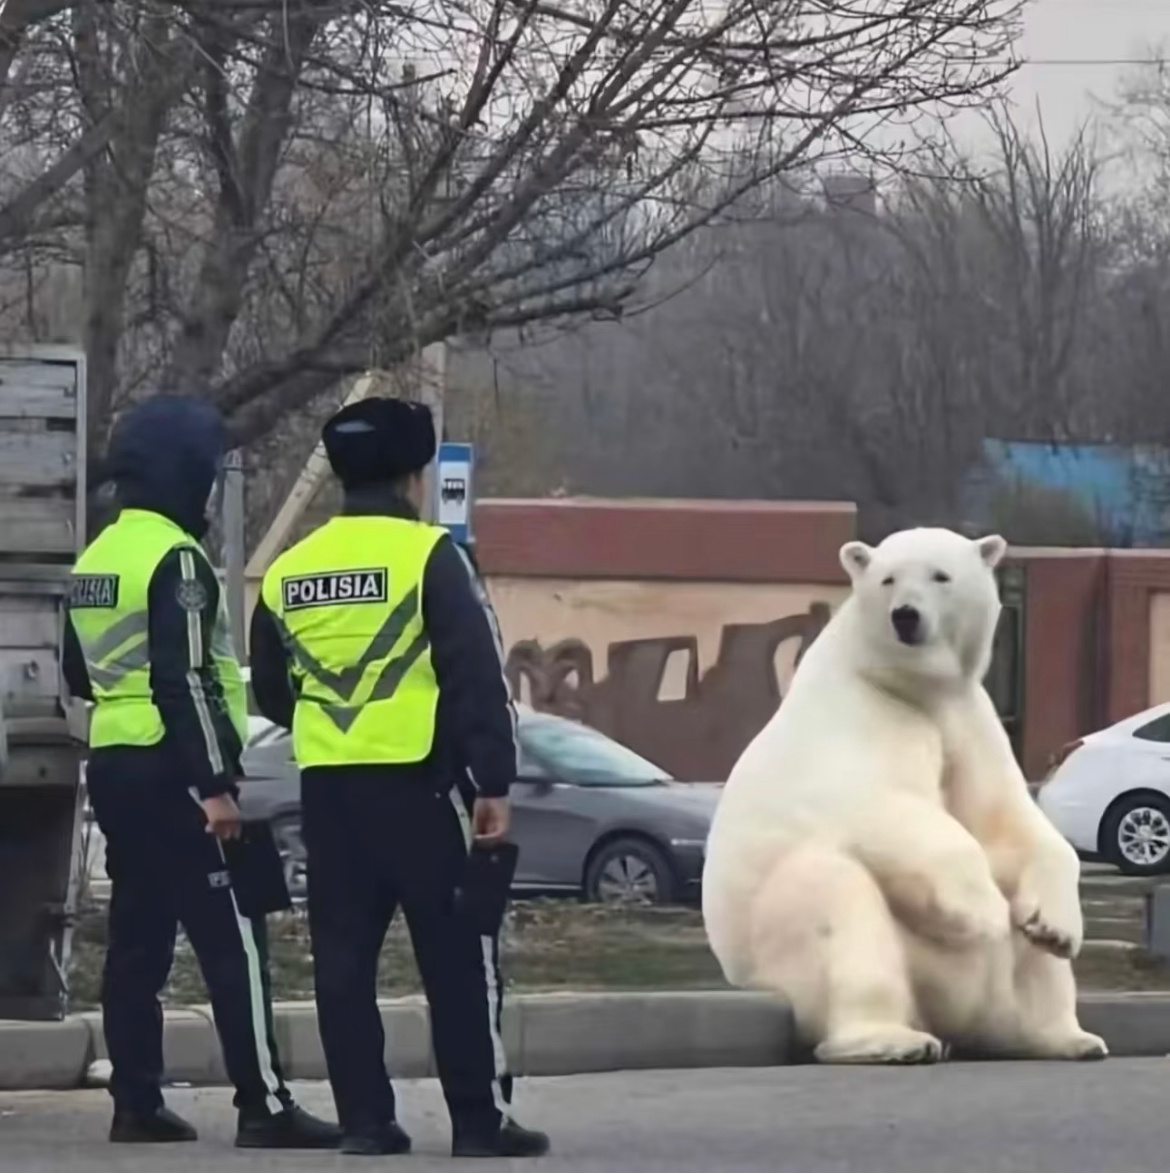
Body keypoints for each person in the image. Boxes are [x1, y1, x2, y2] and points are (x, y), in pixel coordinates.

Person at [249, 397, 549, 1159]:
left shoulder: (289, 570)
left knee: (342, 962)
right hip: (423, 786)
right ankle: (478, 1123)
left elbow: (273, 693)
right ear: (416, 480)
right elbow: (477, 672)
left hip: (329, 794)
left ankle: (365, 1123)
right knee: (457, 958)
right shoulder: (431, 558)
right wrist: (492, 782)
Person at [63, 396, 340, 1149]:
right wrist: (215, 785)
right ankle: (265, 1105)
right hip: (176, 771)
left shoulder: (95, 559)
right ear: (181, 472)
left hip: (116, 766)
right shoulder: (176, 558)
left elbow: (78, 673)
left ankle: (136, 1102)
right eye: (208, 472)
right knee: (233, 942)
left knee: (137, 945)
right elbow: (184, 677)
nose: (212, 488)